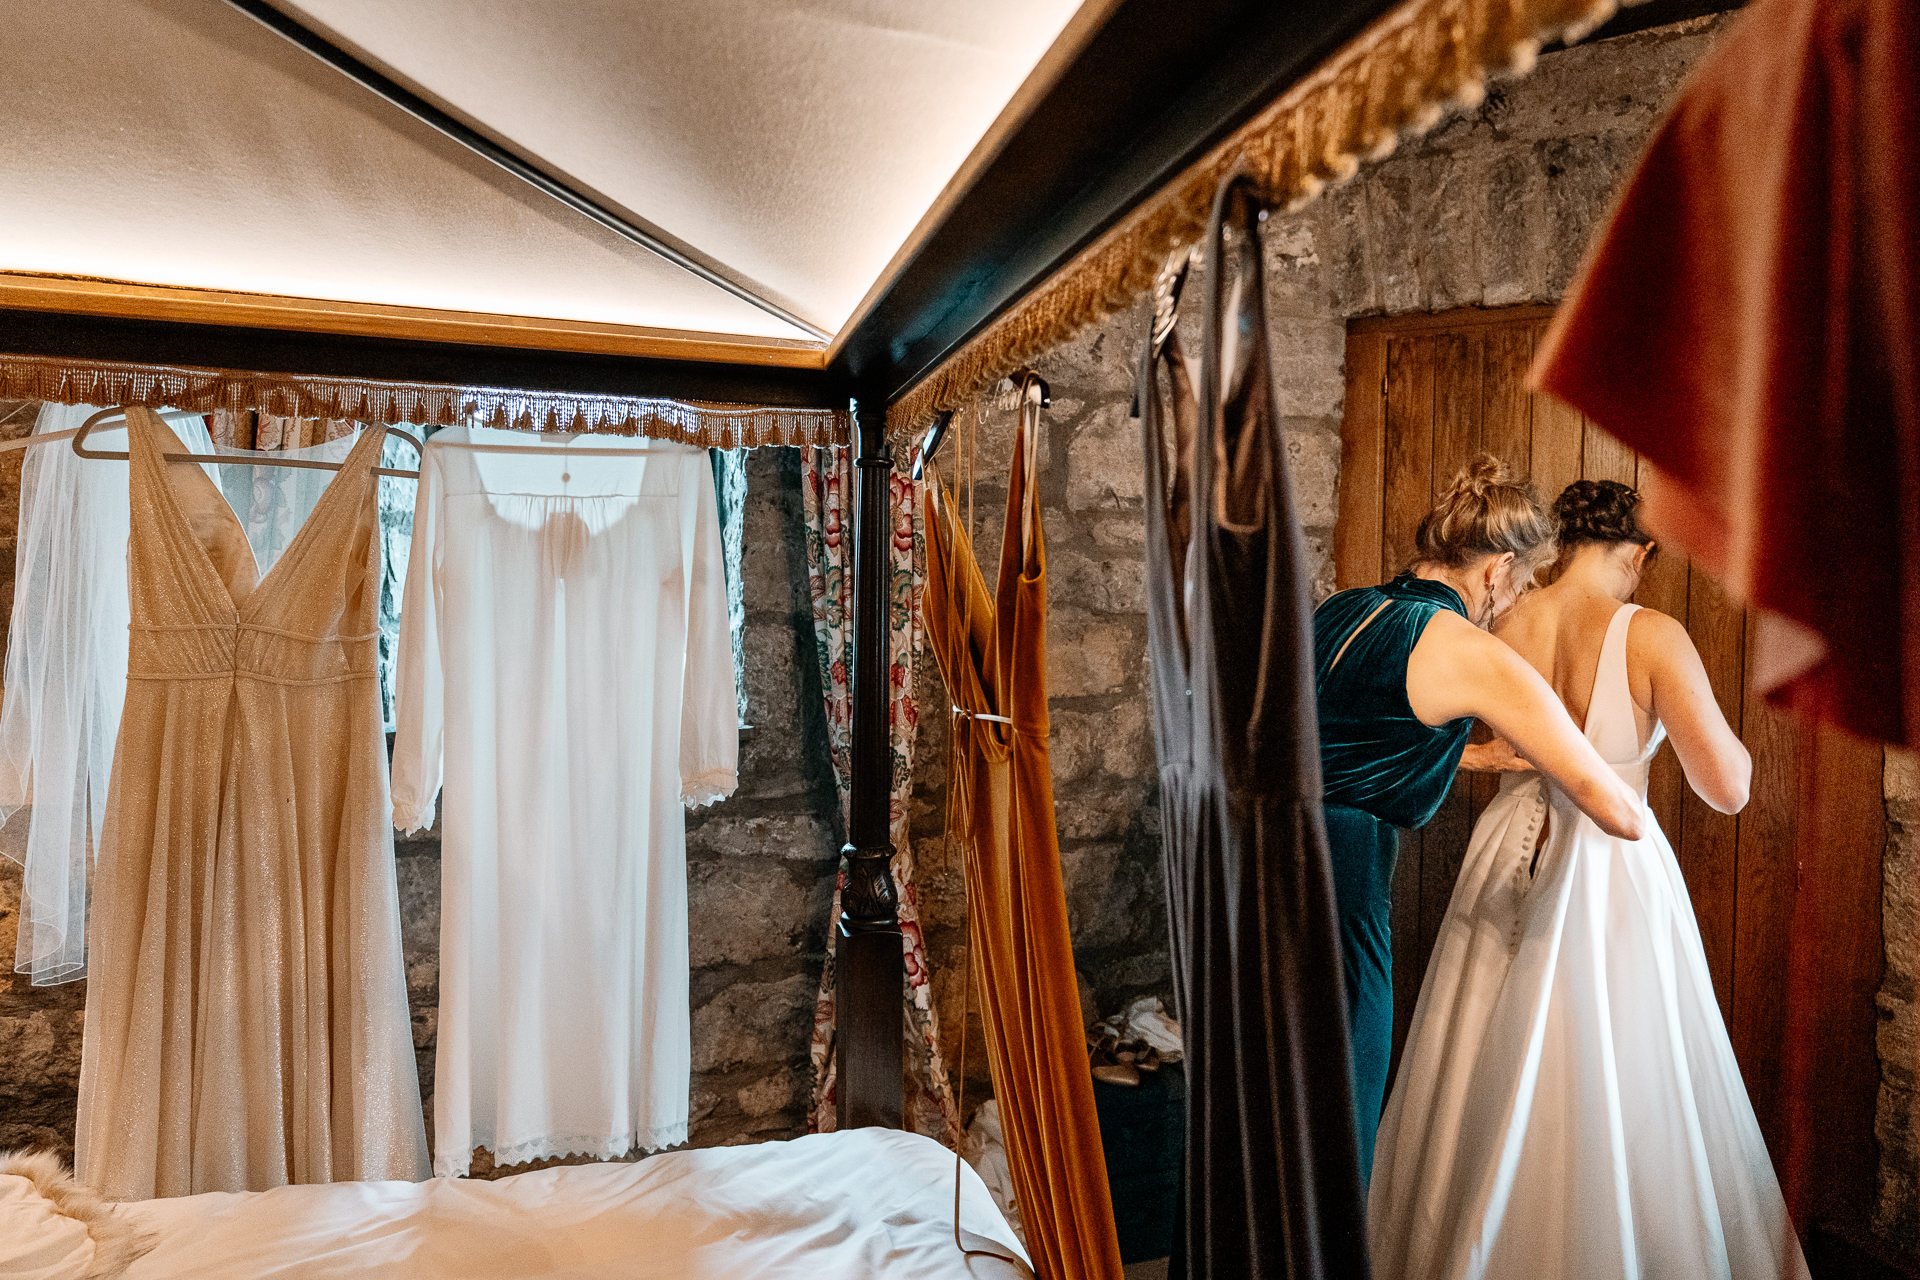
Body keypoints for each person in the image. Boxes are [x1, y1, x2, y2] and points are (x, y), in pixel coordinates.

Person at [1368, 480, 1808, 1279]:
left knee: (1473, 1046)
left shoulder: (1505, 618)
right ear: (1638, 553)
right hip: (1609, 852)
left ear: (1558, 543)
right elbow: (1728, 788)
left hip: (1504, 844)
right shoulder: (1652, 634)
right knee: (1612, 1059)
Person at [1314, 456, 1644, 1184]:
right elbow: (1603, 797)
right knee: (1337, 1123)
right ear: (1496, 571)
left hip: (1257, 879)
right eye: (1521, 583)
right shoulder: (1467, 649)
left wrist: (1487, 759)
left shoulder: (1342, 610)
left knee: (1251, 1114)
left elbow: (1352, 739)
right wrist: (1634, 811)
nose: (1514, 600)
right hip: (1341, 894)